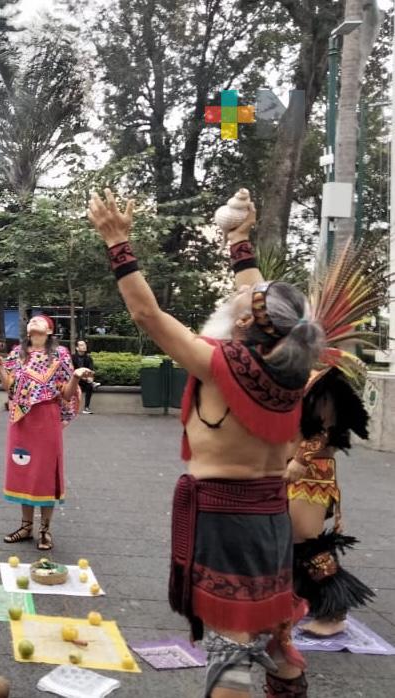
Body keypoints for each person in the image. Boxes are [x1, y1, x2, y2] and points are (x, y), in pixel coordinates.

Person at [88, 189, 324, 697]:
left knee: (231, 647)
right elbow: (265, 301)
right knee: (271, 640)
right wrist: (239, 241)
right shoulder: (292, 368)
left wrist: (117, 242)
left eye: (238, 299)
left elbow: (148, 316)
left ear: (245, 323)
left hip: (227, 524)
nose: (235, 294)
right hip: (270, 520)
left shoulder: (221, 365)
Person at [286, 368, 374, 637]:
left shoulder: (324, 379)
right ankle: (296, 601)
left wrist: (300, 460)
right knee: (288, 539)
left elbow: (326, 427)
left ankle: (334, 612)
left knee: (306, 540)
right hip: (287, 467)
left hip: (310, 472)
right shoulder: (292, 372)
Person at [0, 315, 89, 551]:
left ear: (50, 330)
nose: (34, 322)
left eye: (40, 320)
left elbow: (65, 395)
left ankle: (44, 529)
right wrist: (0, 369)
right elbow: (10, 389)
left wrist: (75, 377)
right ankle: (25, 527)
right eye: (31, 320)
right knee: (23, 470)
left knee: (45, 473)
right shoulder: (17, 354)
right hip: (21, 419)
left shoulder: (61, 355)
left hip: (47, 419)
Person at [72, 340, 98, 414]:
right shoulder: (72, 357)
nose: (84, 346)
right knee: (88, 381)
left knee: (89, 385)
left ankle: (86, 408)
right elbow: (71, 370)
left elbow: (91, 370)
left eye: (85, 345)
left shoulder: (88, 358)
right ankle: (92, 383)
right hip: (74, 379)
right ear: (77, 348)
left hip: (84, 379)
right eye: (81, 345)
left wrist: (90, 376)